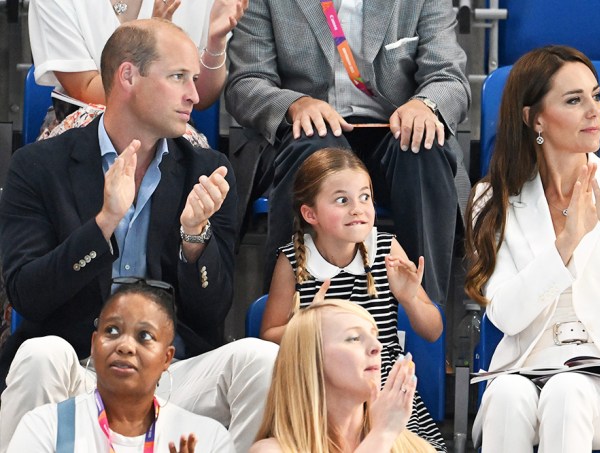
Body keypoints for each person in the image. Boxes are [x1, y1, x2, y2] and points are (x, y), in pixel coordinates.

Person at [0, 19, 277, 453]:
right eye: (178, 77)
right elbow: (28, 295)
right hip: (77, 364)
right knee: (39, 356)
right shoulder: (37, 167)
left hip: (172, 373)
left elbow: (212, 311)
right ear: (128, 76)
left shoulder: (206, 169)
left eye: (194, 79)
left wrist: (194, 237)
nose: (193, 94)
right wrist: (104, 223)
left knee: (261, 360)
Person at [465, 45, 600, 451]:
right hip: (526, 374)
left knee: (567, 390)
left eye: (596, 96)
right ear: (534, 118)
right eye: (574, 100)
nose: (593, 110)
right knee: (507, 395)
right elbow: (505, 317)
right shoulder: (491, 200)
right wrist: (566, 243)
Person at [224, 0, 471, 303]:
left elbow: (449, 78)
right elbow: (246, 83)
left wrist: (425, 105)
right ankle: (290, 321)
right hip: (309, 132)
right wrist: (293, 104)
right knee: (313, 150)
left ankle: (427, 318)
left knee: (423, 150)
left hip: (391, 131)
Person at [262, 148, 445, 451]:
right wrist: (310, 323)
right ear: (310, 214)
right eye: (342, 200)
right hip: (323, 397)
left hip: (382, 390)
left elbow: (433, 330)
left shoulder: (385, 247)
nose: (358, 209)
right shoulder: (294, 260)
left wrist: (410, 298)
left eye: (364, 197)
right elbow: (268, 336)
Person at [7, 280, 236, 452]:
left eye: (144, 335)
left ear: (167, 358)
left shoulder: (207, 439)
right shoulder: (45, 426)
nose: (125, 346)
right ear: (94, 344)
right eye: (112, 331)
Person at [28, 0, 246, 141]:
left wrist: (216, 42)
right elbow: (84, 88)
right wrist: (151, 43)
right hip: (83, 121)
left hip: (168, 124)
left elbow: (200, 97)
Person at [251, 299, 435, 453]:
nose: (377, 346)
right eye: (354, 338)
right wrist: (382, 434)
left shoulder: (417, 448)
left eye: (374, 335)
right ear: (309, 359)